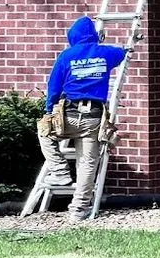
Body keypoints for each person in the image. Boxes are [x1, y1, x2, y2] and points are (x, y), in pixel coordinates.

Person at [38, 15, 130, 222]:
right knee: (88, 162)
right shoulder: (105, 53)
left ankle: (60, 171)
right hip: (94, 118)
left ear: (72, 37)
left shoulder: (66, 56)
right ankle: (79, 210)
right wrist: (124, 47)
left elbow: (53, 88)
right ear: (94, 36)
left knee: (44, 133)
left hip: (68, 115)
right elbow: (122, 52)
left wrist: (49, 111)